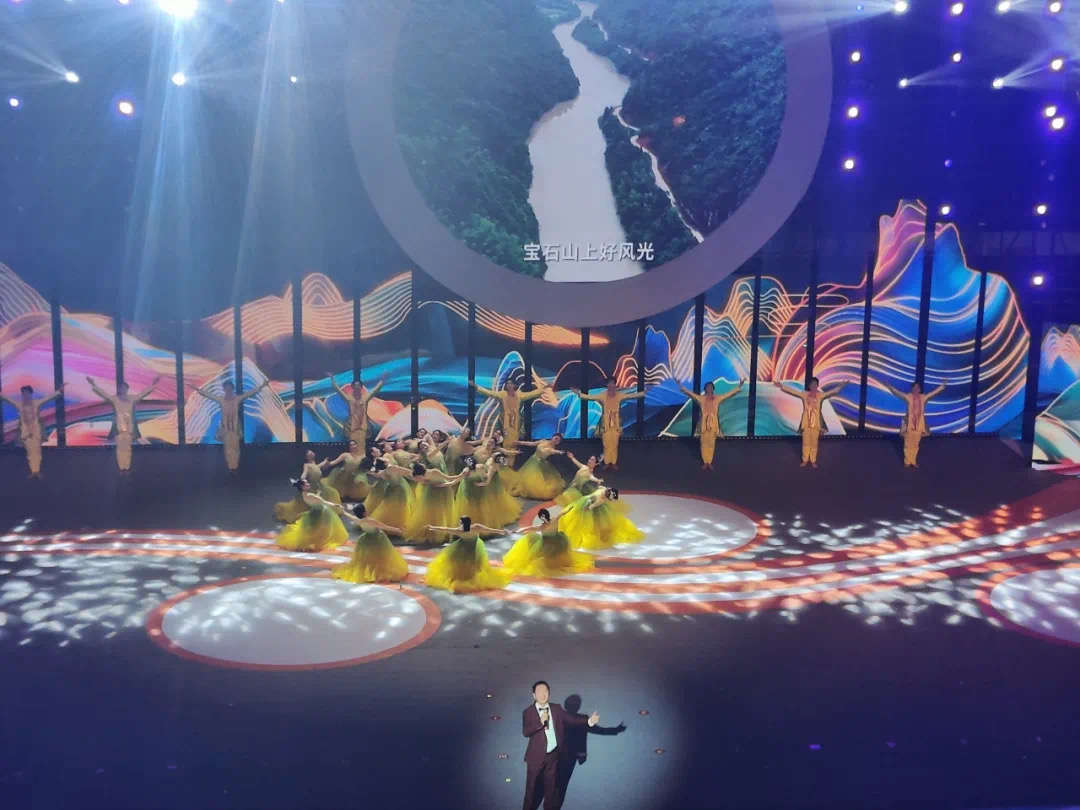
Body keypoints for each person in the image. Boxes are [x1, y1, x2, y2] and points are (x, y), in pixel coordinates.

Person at [521, 680, 598, 810]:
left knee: (551, 788)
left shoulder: (556, 709)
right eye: (539, 692)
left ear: (549, 693)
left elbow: (572, 720)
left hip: (553, 756)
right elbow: (526, 732)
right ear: (534, 695)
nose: (543, 694)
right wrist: (540, 722)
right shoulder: (528, 712)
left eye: (545, 691)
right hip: (535, 758)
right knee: (531, 789)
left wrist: (589, 721)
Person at [186, 378, 269, 471]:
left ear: (232, 389)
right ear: (224, 389)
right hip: (225, 428)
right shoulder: (221, 399)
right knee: (228, 449)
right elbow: (208, 395)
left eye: (230, 388)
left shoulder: (237, 398)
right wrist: (196, 389)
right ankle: (231, 469)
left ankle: (235, 468)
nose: (228, 390)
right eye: (226, 388)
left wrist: (262, 385)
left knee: (235, 448)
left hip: (235, 428)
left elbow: (249, 393)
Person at [86, 375, 161, 473]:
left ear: (127, 389)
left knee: (128, 449)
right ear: (119, 389)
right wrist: (93, 384)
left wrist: (153, 384)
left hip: (129, 428)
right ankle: (122, 468)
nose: (123, 389)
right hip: (119, 428)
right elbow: (103, 394)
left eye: (125, 388)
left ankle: (127, 468)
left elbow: (143, 393)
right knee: (120, 449)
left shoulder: (132, 398)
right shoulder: (115, 399)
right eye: (122, 388)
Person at [572, 378, 646, 470]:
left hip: (616, 423)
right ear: (607, 385)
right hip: (606, 423)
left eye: (612, 383)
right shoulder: (603, 395)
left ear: (615, 385)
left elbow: (632, 396)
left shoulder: (620, 395)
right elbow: (590, 397)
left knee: (614, 444)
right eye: (609, 383)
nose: (611, 385)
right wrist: (579, 394)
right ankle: (607, 462)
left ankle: (613, 462)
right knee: (606, 443)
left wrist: (643, 393)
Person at [423, 516, 511, 593]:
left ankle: (459, 577)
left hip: (462, 549)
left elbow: (445, 529)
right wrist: (501, 531)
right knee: (475, 563)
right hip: (474, 548)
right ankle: (471, 577)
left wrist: (432, 527)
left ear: (462, 523)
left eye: (460, 522)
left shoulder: (459, 530)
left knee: (461, 564)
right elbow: (489, 530)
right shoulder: (476, 527)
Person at [502, 508, 595, 578]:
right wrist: (516, 531)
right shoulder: (542, 526)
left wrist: (570, 509)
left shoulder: (554, 520)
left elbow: (562, 513)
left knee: (557, 554)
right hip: (547, 543)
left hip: (557, 541)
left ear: (547, 515)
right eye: (541, 517)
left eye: (544, 516)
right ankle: (551, 564)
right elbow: (528, 528)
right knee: (543, 554)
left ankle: (557, 564)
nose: (543, 518)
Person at [331, 503, 409, 583]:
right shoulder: (371, 521)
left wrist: (343, 511)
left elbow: (349, 516)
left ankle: (370, 573)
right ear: (364, 512)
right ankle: (379, 573)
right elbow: (385, 527)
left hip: (366, 540)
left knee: (368, 558)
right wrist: (398, 530)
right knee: (383, 556)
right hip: (378, 539)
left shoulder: (358, 520)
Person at [777, 377, 845, 468]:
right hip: (806, 423)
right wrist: (782, 386)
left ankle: (813, 460)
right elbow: (793, 392)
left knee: (814, 443)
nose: (813, 386)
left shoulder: (820, 395)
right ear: (809, 385)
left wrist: (842, 386)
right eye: (812, 384)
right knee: (805, 443)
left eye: (815, 384)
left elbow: (833, 392)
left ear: (817, 386)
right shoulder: (804, 394)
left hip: (816, 424)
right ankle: (805, 460)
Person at [678, 379, 745, 470]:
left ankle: (709, 461)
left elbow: (728, 394)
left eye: (710, 387)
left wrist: (739, 386)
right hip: (704, 423)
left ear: (713, 389)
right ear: (705, 389)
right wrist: (680, 385)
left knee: (711, 442)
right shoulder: (701, 398)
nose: (709, 388)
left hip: (713, 422)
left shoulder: (717, 398)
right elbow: (690, 394)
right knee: (703, 442)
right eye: (707, 387)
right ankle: (705, 461)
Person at [1, 383, 64, 478]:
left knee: (37, 450)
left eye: (27, 393)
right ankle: (34, 470)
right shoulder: (19, 404)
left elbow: (48, 398)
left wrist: (59, 391)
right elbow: (7, 399)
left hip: (36, 430)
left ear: (30, 394)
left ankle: (36, 471)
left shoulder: (36, 403)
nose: (25, 395)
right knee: (30, 451)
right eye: (23, 394)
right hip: (25, 432)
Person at [470, 377, 550, 450]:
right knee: (506, 438)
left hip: (516, 422)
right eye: (507, 383)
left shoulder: (519, 395)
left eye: (511, 383)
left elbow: (532, 394)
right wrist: (477, 387)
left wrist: (544, 387)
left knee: (514, 441)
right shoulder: (502, 394)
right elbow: (489, 393)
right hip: (505, 421)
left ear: (515, 385)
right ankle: (505, 455)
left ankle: (512, 457)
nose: (509, 385)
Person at [274, 478, 348, 552]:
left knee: (314, 529)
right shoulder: (310, 494)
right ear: (302, 486)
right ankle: (321, 542)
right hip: (322, 512)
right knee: (324, 527)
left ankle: (316, 541)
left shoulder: (304, 495)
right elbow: (323, 501)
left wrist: (318, 494)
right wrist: (336, 505)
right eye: (306, 483)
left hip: (315, 512)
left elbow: (315, 500)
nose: (308, 484)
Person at [559, 487, 644, 551]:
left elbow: (594, 504)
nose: (606, 493)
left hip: (588, 505)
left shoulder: (602, 499)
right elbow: (599, 490)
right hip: (585, 501)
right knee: (579, 518)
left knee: (591, 522)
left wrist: (589, 507)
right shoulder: (603, 491)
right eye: (608, 493)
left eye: (608, 495)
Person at [884, 380, 946, 467]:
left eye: (917, 387)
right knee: (908, 443)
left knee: (916, 444)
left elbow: (933, 393)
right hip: (910, 423)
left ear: (919, 389)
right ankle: (907, 461)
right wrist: (891, 388)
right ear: (912, 389)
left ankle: (913, 461)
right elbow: (898, 393)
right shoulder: (908, 397)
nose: (916, 389)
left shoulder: (923, 397)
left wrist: (942, 386)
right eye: (914, 387)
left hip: (919, 424)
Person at [404, 462, 466, 543]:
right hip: (443, 492)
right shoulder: (434, 471)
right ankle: (439, 533)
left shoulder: (418, 476)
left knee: (431, 512)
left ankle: (432, 532)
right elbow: (449, 478)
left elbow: (426, 482)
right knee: (442, 512)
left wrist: (435, 484)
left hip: (433, 492)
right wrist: (461, 476)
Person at [274, 450, 342, 522]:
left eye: (311, 452)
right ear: (306, 457)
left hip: (319, 485)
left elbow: (318, 466)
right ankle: (314, 514)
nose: (311, 453)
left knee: (331, 493)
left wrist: (325, 461)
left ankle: (323, 512)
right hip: (312, 487)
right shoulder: (306, 465)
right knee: (313, 501)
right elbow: (304, 472)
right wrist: (302, 479)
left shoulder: (314, 463)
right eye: (309, 452)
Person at [329, 373, 386, 444]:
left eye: (358, 385)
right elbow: (338, 390)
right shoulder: (349, 398)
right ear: (352, 387)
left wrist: (382, 381)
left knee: (364, 442)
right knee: (352, 443)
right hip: (351, 425)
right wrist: (332, 379)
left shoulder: (365, 397)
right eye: (355, 385)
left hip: (363, 425)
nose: (357, 387)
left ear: (361, 387)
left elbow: (375, 390)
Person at [364, 457, 415, 532]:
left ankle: (387, 525)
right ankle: (398, 526)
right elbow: (409, 473)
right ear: (385, 463)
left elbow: (377, 474)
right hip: (399, 490)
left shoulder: (384, 471)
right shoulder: (393, 468)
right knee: (400, 508)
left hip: (390, 489)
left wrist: (370, 472)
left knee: (387, 506)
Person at [511, 434, 567, 500]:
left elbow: (551, 451)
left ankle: (534, 490)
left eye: (558, 441)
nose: (556, 441)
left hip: (541, 463)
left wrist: (559, 452)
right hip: (533, 460)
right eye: (556, 438)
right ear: (552, 437)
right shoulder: (543, 441)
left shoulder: (552, 448)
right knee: (528, 477)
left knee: (538, 478)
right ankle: (528, 488)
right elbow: (531, 444)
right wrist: (519, 442)